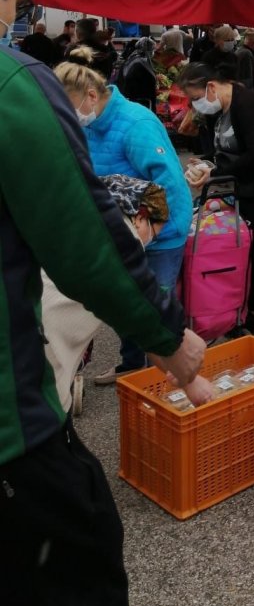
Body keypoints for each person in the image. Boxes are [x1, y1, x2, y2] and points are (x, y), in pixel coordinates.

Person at [0, 0, 205, 606]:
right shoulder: (13, 88)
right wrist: (167, 332)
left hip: (160, 231)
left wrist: (153, 225)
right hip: (8, 423)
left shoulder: (134, 121)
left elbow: (158, 188)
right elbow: (83, 240)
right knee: (79, 558)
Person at [54, 54, 193, 383]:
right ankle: (133, 365)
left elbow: (170, 184)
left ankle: (173, 373)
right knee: (125, 300)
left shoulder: (136, 123)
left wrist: (153, 232)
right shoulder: (86, 125)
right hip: (121, 231)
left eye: (70, 106)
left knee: (156, 303)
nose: (69, 115)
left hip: (160, 232)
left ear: (91, 95)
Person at [42, 174, 214, 414]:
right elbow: (148, 322)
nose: (150, 242)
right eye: (154, 233)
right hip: (41, 366)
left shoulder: (78, 223)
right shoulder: (121, 242)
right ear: (141, 217)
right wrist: (191, 383)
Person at [178, 62, 254, 348]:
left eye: (195, 97)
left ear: (211, 86)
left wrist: (215, 173)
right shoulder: (219, 110)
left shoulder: (248, 105)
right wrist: (206, 161)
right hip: (244, 191)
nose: (196, 104)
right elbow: (225, 148)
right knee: (250, 250)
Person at [117, 36, 157, 107]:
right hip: (135, 98)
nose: (153, 52)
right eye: (153, 49)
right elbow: (150, 86)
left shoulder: (133, 56)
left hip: (125, 93)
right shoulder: (141, 63)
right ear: (149, 50)